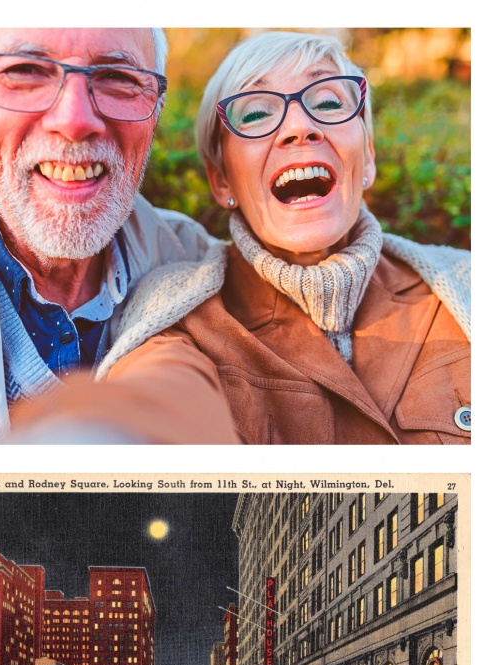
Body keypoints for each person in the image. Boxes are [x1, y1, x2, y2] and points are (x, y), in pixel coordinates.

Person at [89, 30, 470, 445]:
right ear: (221, 181)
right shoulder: (178, 318)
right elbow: (156, 403)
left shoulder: (467, 286)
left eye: (327, 103)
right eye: (255, 114)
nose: (301, 128)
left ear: (369, 159)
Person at [0, 27, 237, 444]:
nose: (74, 121)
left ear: (155, 112)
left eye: (118, 78)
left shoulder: (198, 266)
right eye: (25, 72)